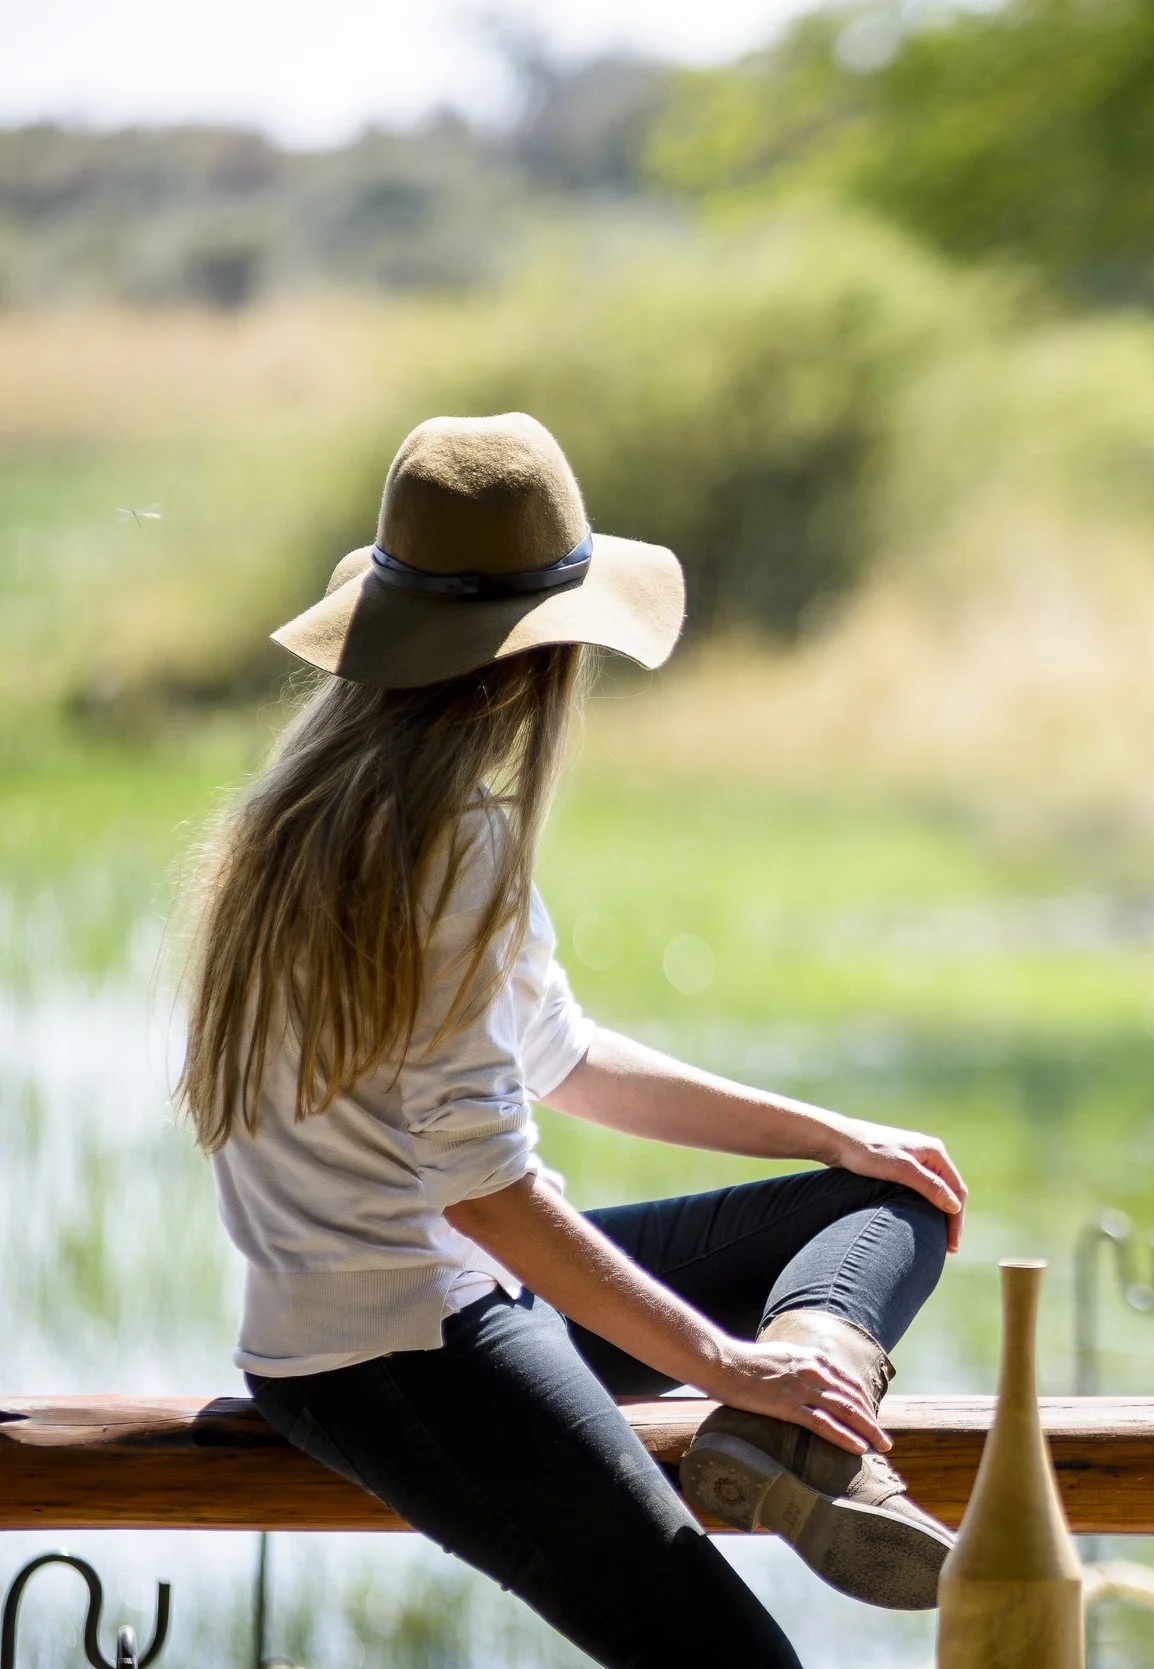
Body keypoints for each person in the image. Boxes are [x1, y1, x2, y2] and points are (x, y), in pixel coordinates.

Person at [179, 412, 969, 1669]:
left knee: (880, 1197)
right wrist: (722, 1364)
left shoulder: (300, 819)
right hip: (408, 1356)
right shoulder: (451, 843)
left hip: (430, 1315)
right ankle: (783, 1420)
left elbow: (562, 1052)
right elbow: (485, 1189)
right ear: (539, 658)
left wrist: (832, 1131)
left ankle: (799, 1430)